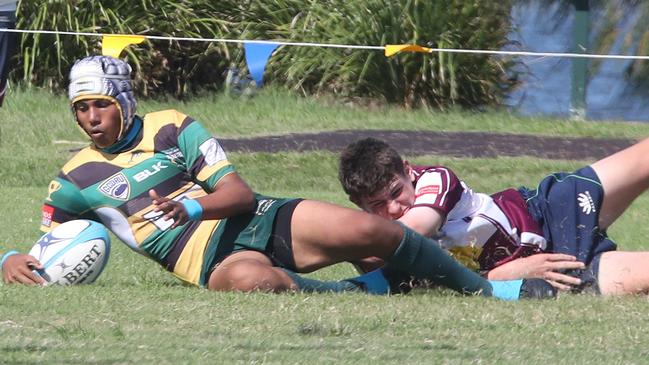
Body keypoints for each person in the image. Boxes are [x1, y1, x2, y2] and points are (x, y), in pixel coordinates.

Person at [0, 55, 554, 300]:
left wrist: (191, 206)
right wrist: (10, 259)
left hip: (255, 217)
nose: (90, 118)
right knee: (252, 284)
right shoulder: (74, 175)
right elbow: (55, 235)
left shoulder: (173, 127)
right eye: (80, 110)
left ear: (122, 99)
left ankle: (486, 291)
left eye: (99, 104)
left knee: (375, 234)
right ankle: (362, 292)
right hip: (208, 260)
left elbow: (236, 191)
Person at [338, 137, 649, 295]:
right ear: (359, 203)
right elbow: (445, 284)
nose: (393, 208)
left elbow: (415, 229)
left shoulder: (435, 179)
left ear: (408, 171)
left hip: (548, 210)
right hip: (558, 267)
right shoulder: (378, 246)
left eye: (396, 192)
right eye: (377, 205)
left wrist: (358, 240)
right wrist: (508, 273)